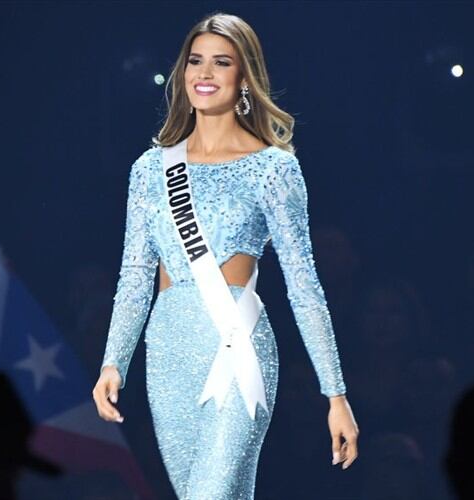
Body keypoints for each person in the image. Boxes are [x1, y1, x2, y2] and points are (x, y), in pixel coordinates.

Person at [92, 11, 359, 499]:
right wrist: (114, 362)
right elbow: (134, 275)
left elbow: (304, 286)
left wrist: (334, 394)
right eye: (196, 61)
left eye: (221, 63)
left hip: (236, 347)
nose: (205, 73)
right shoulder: (150, 169)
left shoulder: (274, 169)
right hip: (168, 353)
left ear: (243, 79)